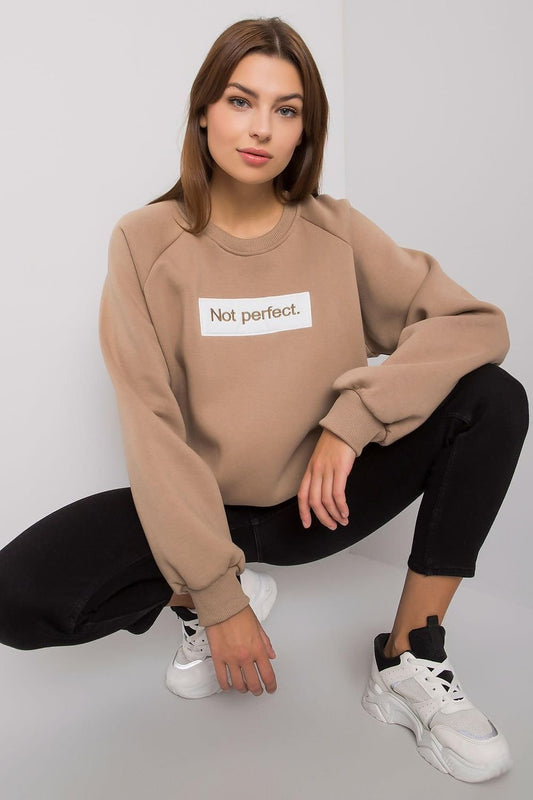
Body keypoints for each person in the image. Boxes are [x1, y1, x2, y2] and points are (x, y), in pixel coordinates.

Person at [0, 15, 528, 784]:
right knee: (15, 595)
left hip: (321, 503)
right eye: (241, 101)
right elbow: (151, 425)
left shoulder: (335, 231)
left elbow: (473, 323)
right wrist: (218, 599)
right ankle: (208, 586)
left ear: (305, 129)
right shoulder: (145, 242)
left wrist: (352, 422)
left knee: (492, 399)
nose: (261, 128)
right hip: (203, 509)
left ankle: (408, 657)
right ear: (203, 111)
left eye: (286, 110)